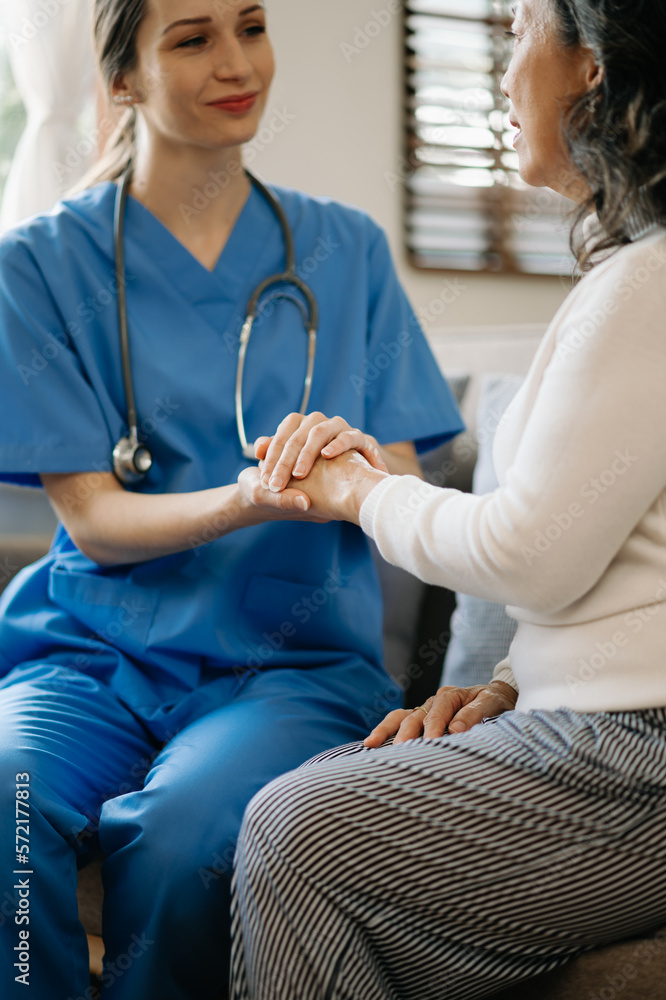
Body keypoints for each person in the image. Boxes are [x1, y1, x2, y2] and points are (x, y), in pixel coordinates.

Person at [0, 1, 464, 997]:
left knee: (184, 836)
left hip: (285, 668)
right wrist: (248, 498)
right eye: (192, 37)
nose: (237, 62)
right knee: (6, 791)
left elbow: (410, 504)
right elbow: (93, 522)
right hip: (91, 653)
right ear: (120, 77)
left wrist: (357, 475)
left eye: (251, 26)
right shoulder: (36, 265)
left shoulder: (346, 250)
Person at [229, 1, 666, 997]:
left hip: (640, 759)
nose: (503, 77)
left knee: (293, 832)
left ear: (591, 69)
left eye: (518, 34)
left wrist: (357, 487)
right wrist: (514, 683)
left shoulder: (649, 284)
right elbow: (618, 558)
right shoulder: (636, 280)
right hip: (609, 727)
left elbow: (528, 553)